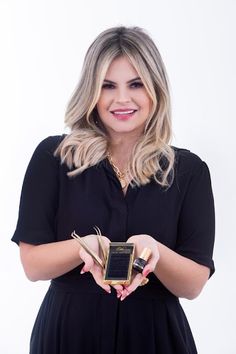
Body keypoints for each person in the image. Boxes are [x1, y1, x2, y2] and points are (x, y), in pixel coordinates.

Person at [12, 26, 215, 354]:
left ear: (155, 88)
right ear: (91, 91)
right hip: (68, 338)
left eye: (135, 84)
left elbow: (193, 285)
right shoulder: (54, 158)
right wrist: (87, 246)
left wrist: (154, 251)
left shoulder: (189, 171)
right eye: (108, 86)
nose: (122, 99)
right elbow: (32, 264)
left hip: (156, 339)